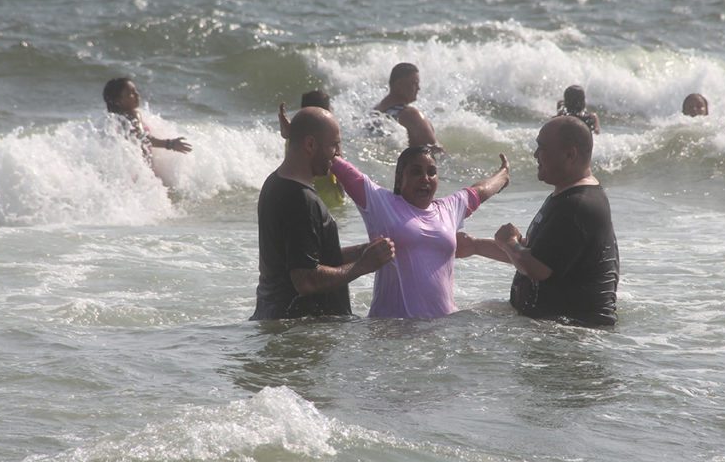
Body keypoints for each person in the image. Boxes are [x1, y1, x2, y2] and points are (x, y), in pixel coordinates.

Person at [456, 116, 619, 327]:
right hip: (557, 327)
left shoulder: (578, 205)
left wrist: (508, 242)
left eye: (542, 148)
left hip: (573, 333)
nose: (535, 155)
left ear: (570, 154)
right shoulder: (568, 196)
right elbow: (539, 255)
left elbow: (537, 268)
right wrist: (474, 245)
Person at [329, 145, 509, 318]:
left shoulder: (448, 208)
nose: (425, 178)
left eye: (432, 172)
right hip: (391, 330)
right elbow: (344, 171)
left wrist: (503, 175)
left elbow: (480, 191)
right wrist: (328, 147)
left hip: (442, 329)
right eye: (416, 172)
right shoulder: (381, 203)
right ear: (399, 178)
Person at [252, 107, 395, 320]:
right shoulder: (300, 200)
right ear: (310, 144)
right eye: (334, 145)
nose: (338, 154)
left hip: (277, 320)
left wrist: (362, 251)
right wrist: (363, 266)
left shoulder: (275, 183)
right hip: (300, 332)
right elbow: (306, 280)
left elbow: (308, 258)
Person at [279, 90, 345, 207]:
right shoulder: (329, 139)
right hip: (331, 202)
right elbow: (341, 173)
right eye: (330, 107)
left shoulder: (294, 138)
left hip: (302, 198)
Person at [102, 77, 192, 162]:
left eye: (135, 90)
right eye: (131, 93)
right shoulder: (133, 115)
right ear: (119, 101)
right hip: (142, 169)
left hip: (132, 169)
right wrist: (170, 144)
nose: (137, 94)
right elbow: (142, 137)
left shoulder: (115, 119)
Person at [373, 62, 442, 150]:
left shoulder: (377, 111)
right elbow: (436, 151)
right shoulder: (411, 114)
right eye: (414, 83)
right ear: (399, 84)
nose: (418, 88)